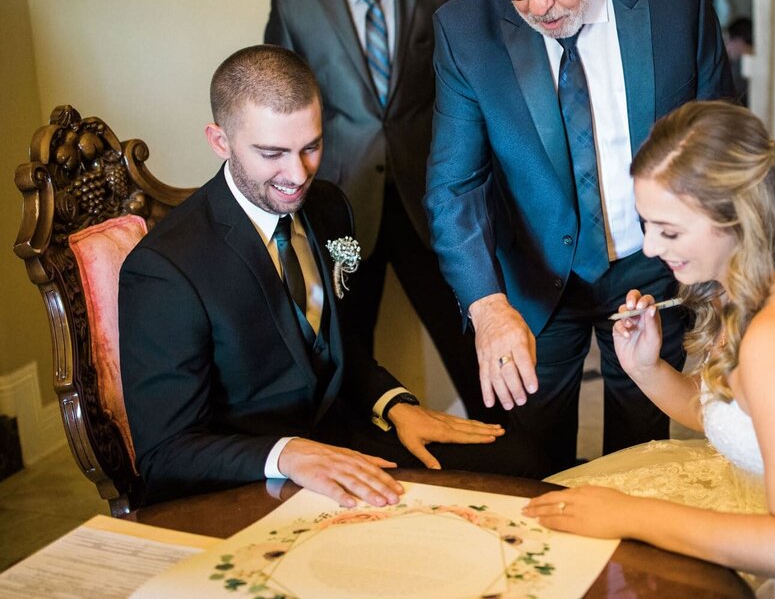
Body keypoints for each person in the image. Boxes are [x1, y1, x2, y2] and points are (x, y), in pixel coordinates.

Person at [523, 102, 775, 597]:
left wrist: (631, 514)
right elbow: (737, 421)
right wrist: (646, 369)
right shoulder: (751, 285)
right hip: (769, 518)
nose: (649, 248)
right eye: (646, 225)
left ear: (737, 220)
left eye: (668, 230)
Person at [119, 45, 540, 506]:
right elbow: (166, 454)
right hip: (250, 476)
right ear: (220, 141)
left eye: (311, 147)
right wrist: (288, 455)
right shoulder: (165, 268)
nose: (297, 175)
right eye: (272, 153)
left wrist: (395, 404)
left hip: (347, 434)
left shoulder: (328, 207)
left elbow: (335, 344)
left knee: (521, 463)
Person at [425, 0, 734, 471]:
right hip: (532, 283)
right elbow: (454, 186)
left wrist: (723, 274)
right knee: (526, 460)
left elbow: (718, 142)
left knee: (641, 455)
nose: (541, 5)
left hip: (651, 271)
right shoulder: (465, 31)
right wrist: (488, 309)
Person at [263, 0, 485, 420]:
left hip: (426, 209)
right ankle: (356, 446)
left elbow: (457, 100)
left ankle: (501, 440)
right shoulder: (295, 8)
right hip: (343, 214)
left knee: (463, 328)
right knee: (348, 330)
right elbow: (278, 112)